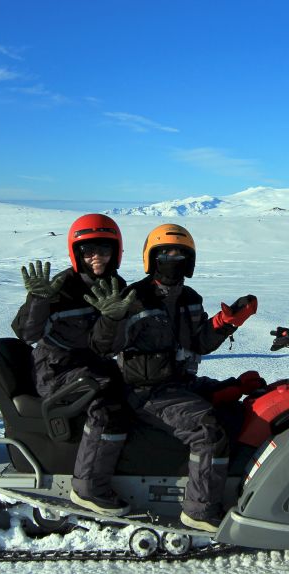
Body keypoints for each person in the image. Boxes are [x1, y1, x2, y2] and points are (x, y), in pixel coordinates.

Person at [86, 223, 257, 532]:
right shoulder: (133, 298)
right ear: (151, 259)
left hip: (179, 385)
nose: (173, 259)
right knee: (208, 429)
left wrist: (226, 322)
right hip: (144, 391)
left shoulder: (190, 298)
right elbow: (102, 346)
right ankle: (199, 510)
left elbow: (198, 342)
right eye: (165, 253)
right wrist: (110, 319)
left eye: (180, 253)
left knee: (238, 408)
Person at [12, 213, 135, 516]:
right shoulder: (60, 288)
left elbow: (107, 346)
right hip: (56, 370)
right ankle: (88, 487)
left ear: (115, 252)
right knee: (106, 404)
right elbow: (27, 333)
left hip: (94, 366)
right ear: (76, 253)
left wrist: (112, 318)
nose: (97, 258)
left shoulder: (116, 286)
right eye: (89, 251)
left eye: (103, 250)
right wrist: (38, 300)